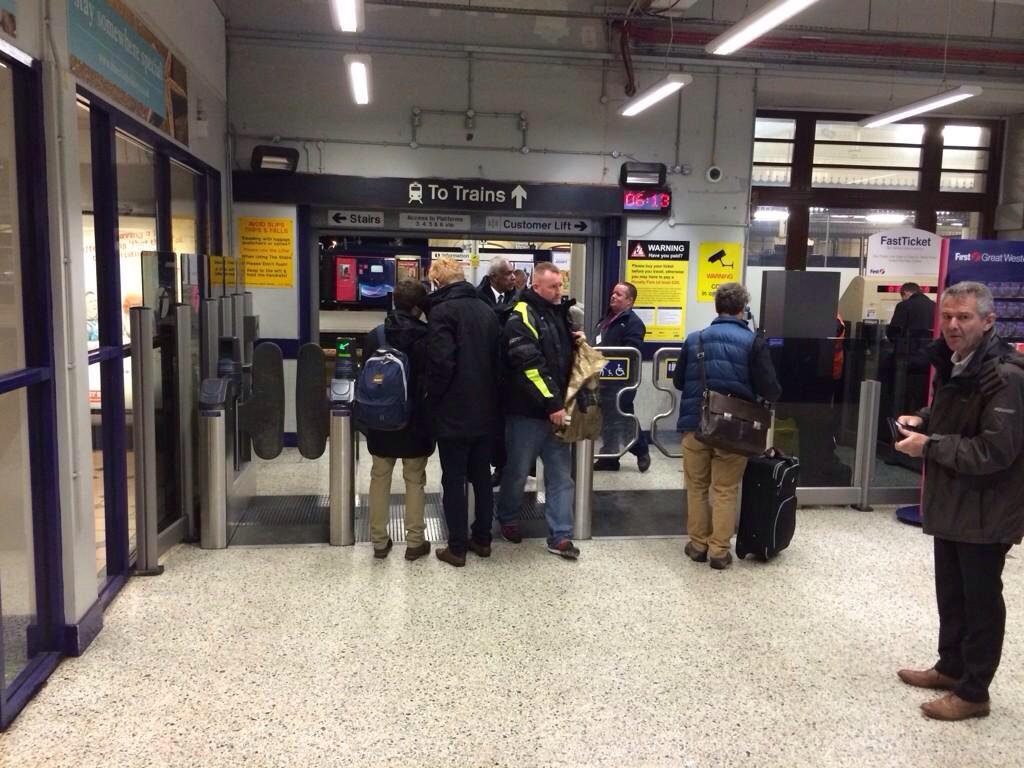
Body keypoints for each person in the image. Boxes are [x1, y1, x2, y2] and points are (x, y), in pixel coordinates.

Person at [894, 281, 1024, 721]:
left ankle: (974, 692)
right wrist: (923, 418)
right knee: (952, 593)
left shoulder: (1004, 376)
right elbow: (957, 419)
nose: (952, 325)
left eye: (964, 317)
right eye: (947, 316)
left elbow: (994, 451)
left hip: (987, 509)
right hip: (956, 503)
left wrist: (928, 445)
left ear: (989, 321)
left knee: (981, 600)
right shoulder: (959, 364)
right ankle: (951, 667)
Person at [672, 282, 782, 570]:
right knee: (725, 488)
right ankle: (719, 551)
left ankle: (697, 545)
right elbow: (771, 388)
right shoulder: (754, 342)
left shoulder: (695, 339)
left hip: (695, 425)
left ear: (717, 307)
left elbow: (680, 382)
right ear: (742, 309)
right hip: (735, 429)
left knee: (696, 486)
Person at [497, 262, 581, 559]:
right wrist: (552, 404)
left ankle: (560, 535)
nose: (559, 291)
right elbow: (528, 365)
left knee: (561, 476)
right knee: (518, 472)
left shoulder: (561, 315)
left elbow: (558, 357)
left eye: (561, 285)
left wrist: (576, 343)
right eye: (553, 286)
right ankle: (507, 517)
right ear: (537, 287)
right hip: (526, 412)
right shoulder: (521, 316)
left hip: (555, 410)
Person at [424, 257, 502, 568]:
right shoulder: (486, 310)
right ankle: (482, 539)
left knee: (454, 479)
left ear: (437, 283)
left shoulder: (442, 312)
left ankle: (456, 548)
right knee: (482, 477)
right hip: (486, 408)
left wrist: (434, 398)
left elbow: (442, 362)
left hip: (454, 410)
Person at [361, 280, 435, 561]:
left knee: (379, 477)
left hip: (380, 419)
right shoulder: (427, 337)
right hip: (415, 423)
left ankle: (379, 542)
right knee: (414, 479)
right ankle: (415, 542)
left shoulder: (376, 335)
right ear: (418, 308)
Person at [592, 281, 651, 473]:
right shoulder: (606, 320)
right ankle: (609, 457)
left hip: (622, 381)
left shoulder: (633, 323)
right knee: (608, 417)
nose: (613, 296)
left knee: (623, 415)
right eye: (613, 293)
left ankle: (641, 451)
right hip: (604, 379)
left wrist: (606, 357)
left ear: (629, 300)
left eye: (619, 294)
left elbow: (631, 352)